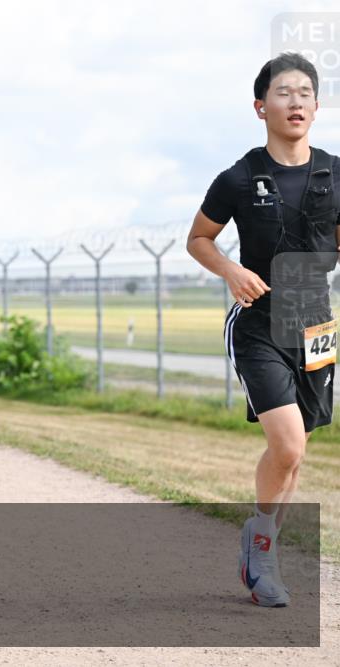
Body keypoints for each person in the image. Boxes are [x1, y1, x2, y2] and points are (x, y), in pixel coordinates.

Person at [186, 53, 338, 608]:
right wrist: (230, 269)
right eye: (283, 93)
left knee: (295, 456)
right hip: (259, 324)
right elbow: (198, 239)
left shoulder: (336, 172)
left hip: (317, 324)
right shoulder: (238, 177)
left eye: (305, 94)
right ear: (260, 106)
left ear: (316, 107)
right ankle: (263, 544)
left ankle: (262, 543)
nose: (295, 102)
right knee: (287, 441)